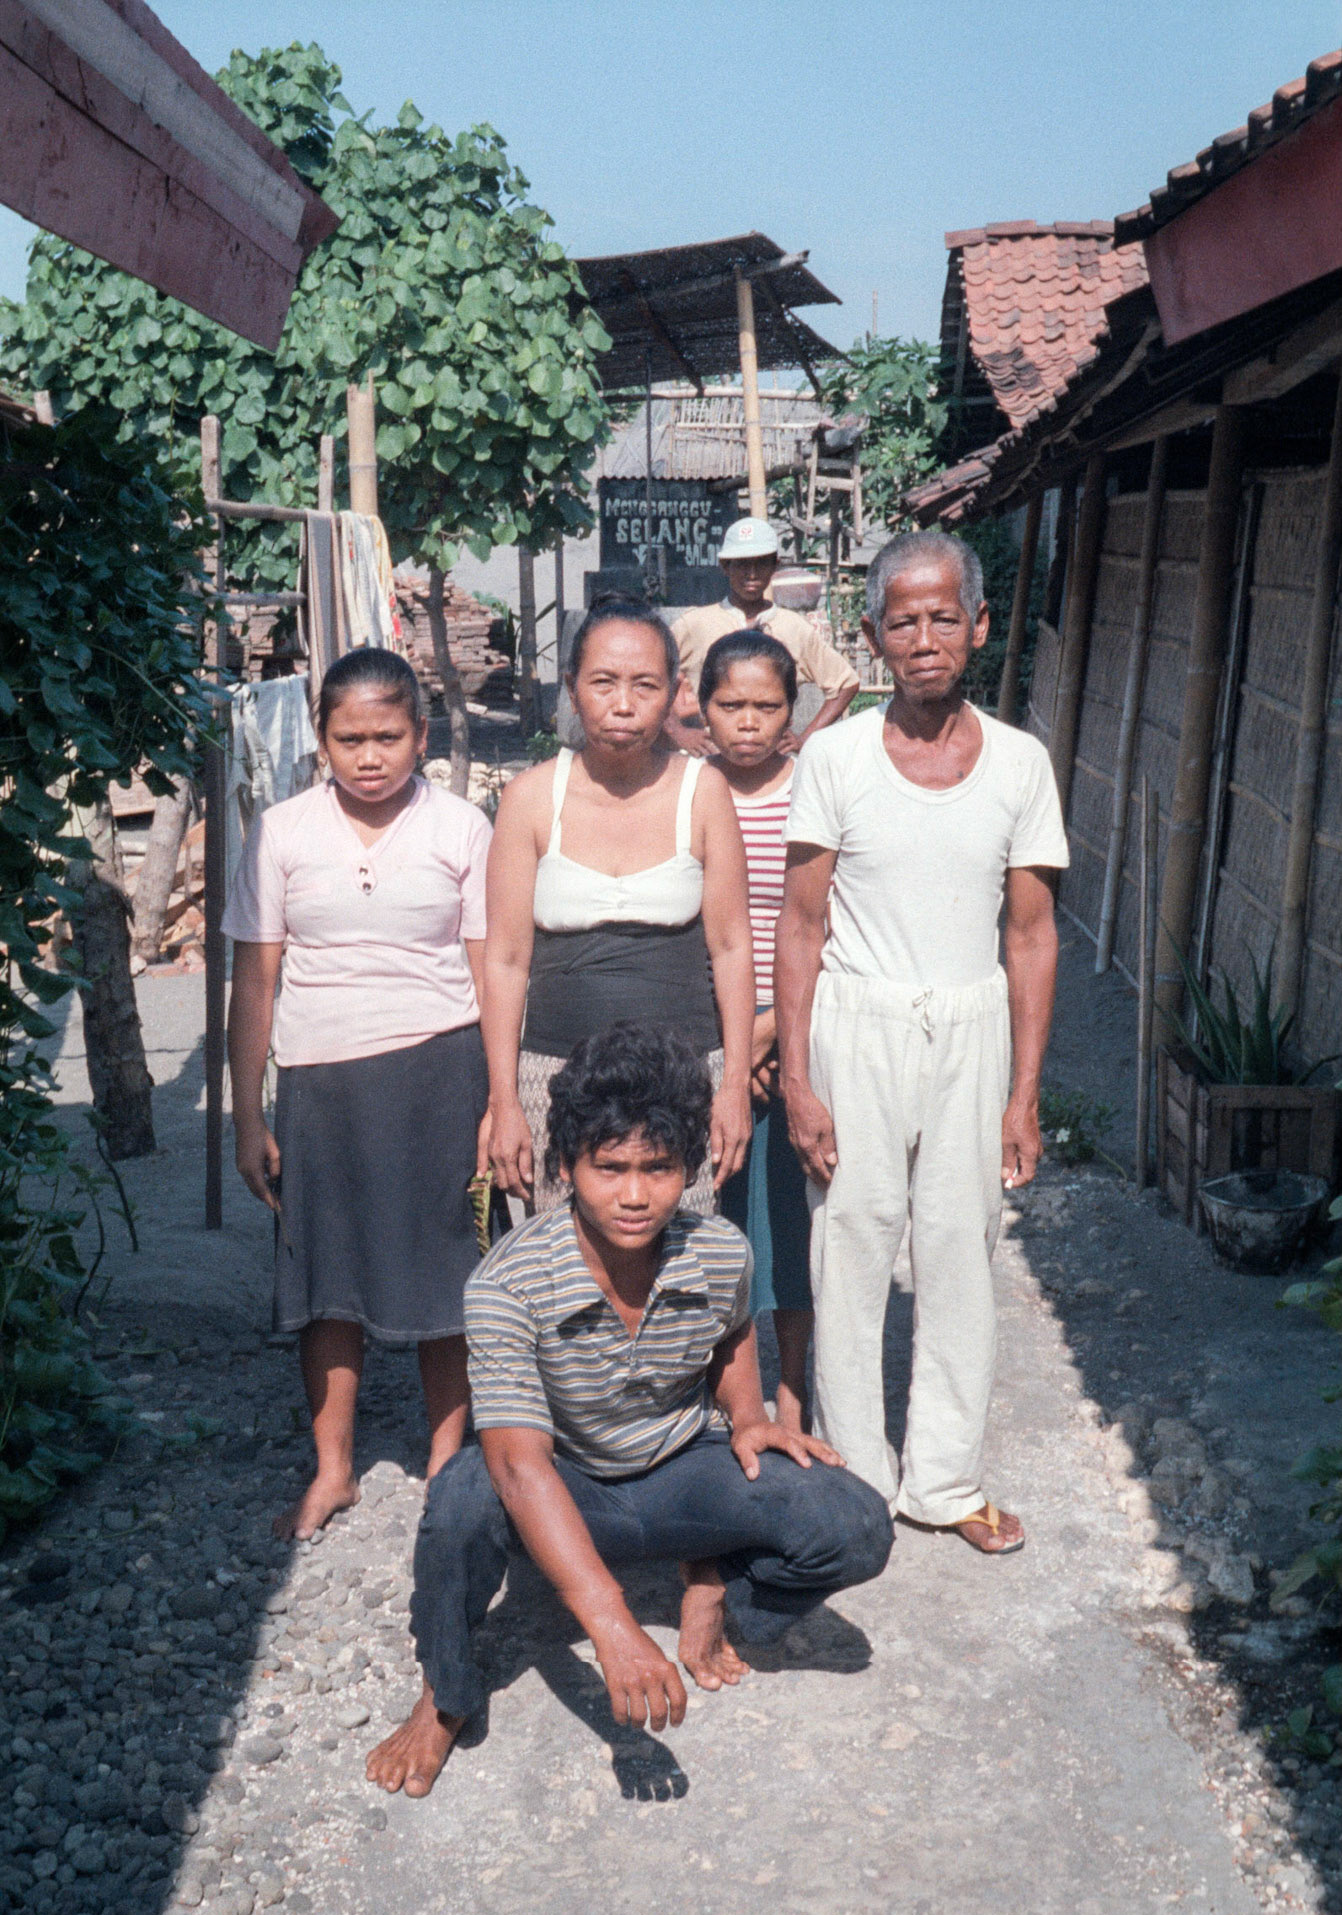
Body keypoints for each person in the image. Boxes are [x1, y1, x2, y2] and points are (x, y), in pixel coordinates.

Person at [364, 1022, 893, 1797]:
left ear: (690, 1167)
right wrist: (612, 1625)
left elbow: (732, 1332)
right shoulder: (507, 1283)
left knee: (856, 1523)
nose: (636, 1195)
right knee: (460, 1498)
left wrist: (749, 1417)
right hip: (565, 1480)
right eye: (610, 1168)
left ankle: (718, 1583)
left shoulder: (719, 1251)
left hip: (682, 1468)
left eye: (659, 1168)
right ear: (567, 1167)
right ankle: (445, 1694)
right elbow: (519, 1466)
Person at [775, 532, 1068, 1554]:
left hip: (971, 1028)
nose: (925, 638)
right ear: (871, 635)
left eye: (945, 616)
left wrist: (1023, 1092)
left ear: (979, 627)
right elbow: (801, 924)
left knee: (959, 1249)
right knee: (849, 1245)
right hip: (858, 1022)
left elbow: (1030, 936)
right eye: (902, 620)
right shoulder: (835, 757)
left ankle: (944, 1480)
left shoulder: (1019, 764)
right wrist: (799, 1079)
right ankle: (858, 1478)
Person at [224, 647, 492, 1542]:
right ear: (321, 742)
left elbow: (492, 967)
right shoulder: (283, 832)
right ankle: (333, 1469)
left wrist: (500, 1101)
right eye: (350, 740)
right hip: (321, 1080)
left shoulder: (461, 827)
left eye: (388, 737)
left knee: (446, 1268)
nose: (370, 757)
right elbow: (255, 982)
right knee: (324, 1277)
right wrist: (248, 1115)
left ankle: (448, 1463)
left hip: (441, 1070)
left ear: (421, 735)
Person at [483, 591, 754, 1215]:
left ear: (676, 692)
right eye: (603, 682)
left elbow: (732, 947)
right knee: (567, 1257)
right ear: (572, 688)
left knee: (679, 1254)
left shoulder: (703, 792)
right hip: (553, 1079)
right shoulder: (530, 799)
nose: (624, 704)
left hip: (685, 1082)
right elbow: (505, 961)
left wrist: (733, 1084)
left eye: (645, 685)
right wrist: (504, 1100)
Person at [700, 629, 814, 1434]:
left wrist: (770, 1037)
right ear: (700, 707)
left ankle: (794, 1387)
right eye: (730, 704)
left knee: (791, 1223)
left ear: (792, 711)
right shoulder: (684, 790)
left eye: (766, 706)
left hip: (795, 1033)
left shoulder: (813, 793)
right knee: (714, 1220)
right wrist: (731, 1053)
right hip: (707, 1040)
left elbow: (829, 919)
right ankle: (717, 1386)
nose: (747, 722)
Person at [666, 517, 859, 754]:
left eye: (761, 563)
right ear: (725, 566)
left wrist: (805, 739)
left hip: (771, 757)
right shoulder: (695, 624)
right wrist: (678, 732)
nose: (752, 573)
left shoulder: (793, 627)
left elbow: (845, 683)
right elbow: (651, 679)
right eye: (742, 564)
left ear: (774, 566)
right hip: (711, 755)